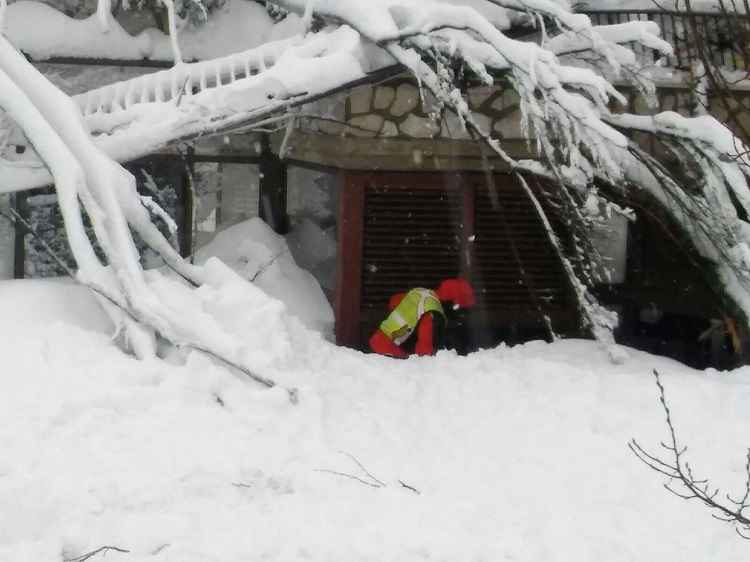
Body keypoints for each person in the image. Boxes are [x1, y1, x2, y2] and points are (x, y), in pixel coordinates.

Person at [369, 278, 476, 358]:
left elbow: (394, 301)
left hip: (377, 341)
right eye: (461, 311)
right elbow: (424, 351)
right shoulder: (433, 311)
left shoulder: (421, 292)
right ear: (453, 304)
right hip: (391, 353)